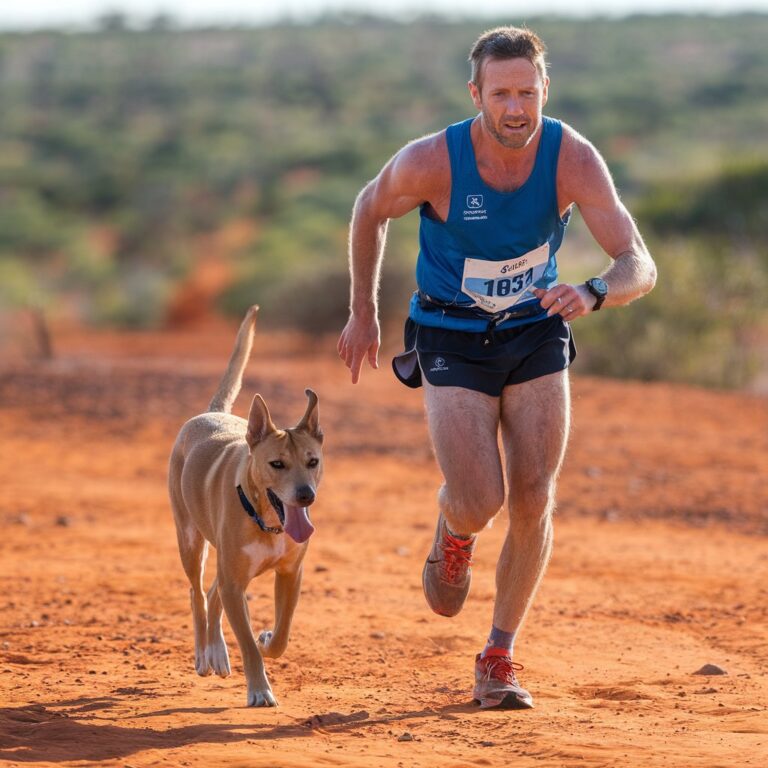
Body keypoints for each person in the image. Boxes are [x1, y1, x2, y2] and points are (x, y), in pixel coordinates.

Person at [337, 25, 656, 710]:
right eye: (501, 93)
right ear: (476, 94)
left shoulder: (572, 157)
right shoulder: (434, 161)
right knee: (481, 497)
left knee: (536, 493)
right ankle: (454, 530)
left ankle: (499, 654)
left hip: (536, 329)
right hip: (450, 333)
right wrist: (363, 308)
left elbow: (639, 263)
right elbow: (369, 207)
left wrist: (595, 291)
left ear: (546, 90)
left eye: (528, 93)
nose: (516, 108)